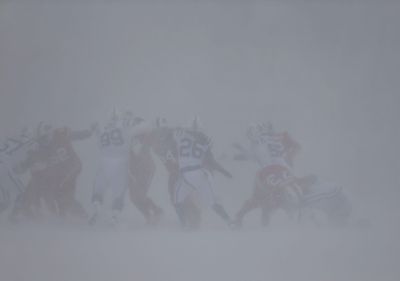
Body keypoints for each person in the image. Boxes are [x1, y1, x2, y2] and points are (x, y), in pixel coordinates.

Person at [13, 122, 94, 222]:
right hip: (59, 172)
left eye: (46, 137)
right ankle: (30, 211)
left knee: (64, 192)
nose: (44, 141)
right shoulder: (40, 146)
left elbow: (76, 135)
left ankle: (80, 215)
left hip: (72, 167)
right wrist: (21, 167)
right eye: (41, 138)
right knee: (41, 185)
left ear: (51, 133)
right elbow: (32, 158)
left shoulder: (60, 135)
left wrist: (89, 132)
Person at [233, 122, 302, 226]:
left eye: (250, 134)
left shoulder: (258, 142)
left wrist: (236, 155)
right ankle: (293, 211)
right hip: (285, 170)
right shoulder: (276, 139)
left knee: (258, 198)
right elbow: (295, 147)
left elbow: (253, 155)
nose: (250, 136)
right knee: (282, 193)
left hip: (269, 171)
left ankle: (240, 217)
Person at [172, 124, 234, 229]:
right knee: (213, 202)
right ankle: (229, 221)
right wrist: (224, 171)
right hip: (199, 174)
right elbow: (211, 161)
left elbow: (175, 131)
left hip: (186, 175)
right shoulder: (204, 142)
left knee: (177, 200)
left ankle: (183, 224)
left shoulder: (181, 137)